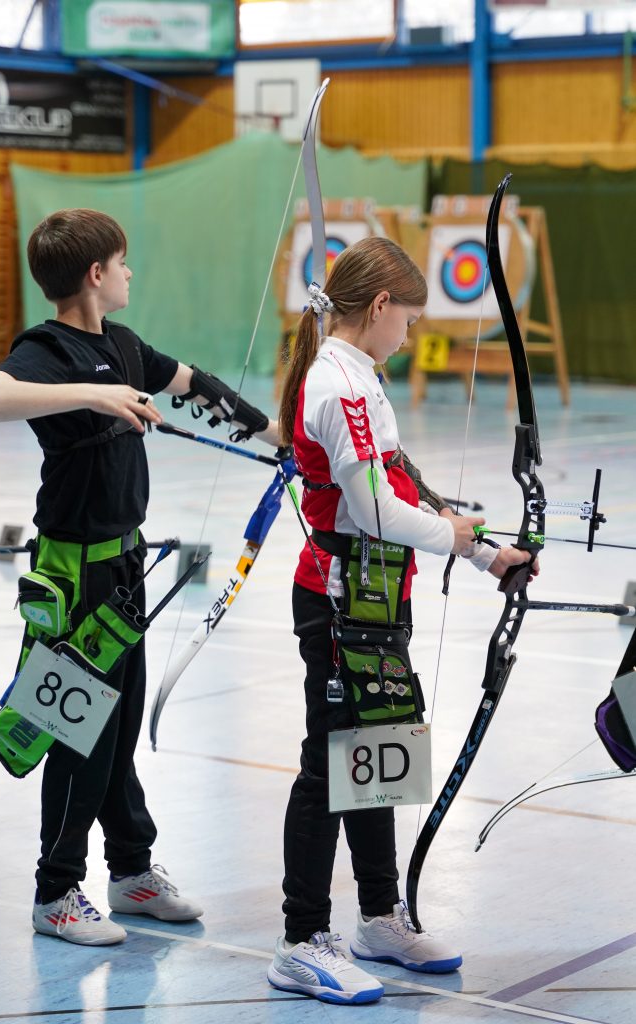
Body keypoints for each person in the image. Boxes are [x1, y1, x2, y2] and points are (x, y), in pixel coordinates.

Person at [0, 208, 280, 946]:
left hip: (124, 566)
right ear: (95, 273)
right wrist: (93, 394)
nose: (130, 272)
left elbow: (195, 384)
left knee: (117, 727)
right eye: (122, 262)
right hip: (72, 577)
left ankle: (131, 870)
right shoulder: (47, 350)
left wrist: (280, 436)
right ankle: (55, 893)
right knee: (78, 733)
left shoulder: (125, 344)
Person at [267, 236, 539, 1005]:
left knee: (376, 750)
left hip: (376, 596)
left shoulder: (361, 376)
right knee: (328, 764)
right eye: (409, 320)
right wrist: (454, 537)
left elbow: (400, 485)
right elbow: (374, 512)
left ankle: (379, 917)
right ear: (380, 305)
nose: (411, 334)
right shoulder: (338, 386)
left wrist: (486, 553)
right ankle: (300, 940)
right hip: (337, 599)